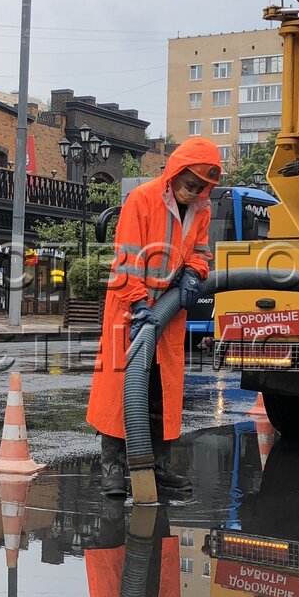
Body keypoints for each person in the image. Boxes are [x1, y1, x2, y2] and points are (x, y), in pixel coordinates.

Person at [86, 137, 222, 500]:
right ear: (175, 173)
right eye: (190, 185)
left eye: (201, 188)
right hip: (130, 307)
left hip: (169, 310)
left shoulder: (201, 210)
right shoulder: (142, 199)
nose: (194, 193)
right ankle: (113, 469)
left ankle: (159, 468)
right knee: (122, 388)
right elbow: (127, 258)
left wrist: (194, 273)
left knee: (162, 390)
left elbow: (200, 251)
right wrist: (137, 305)